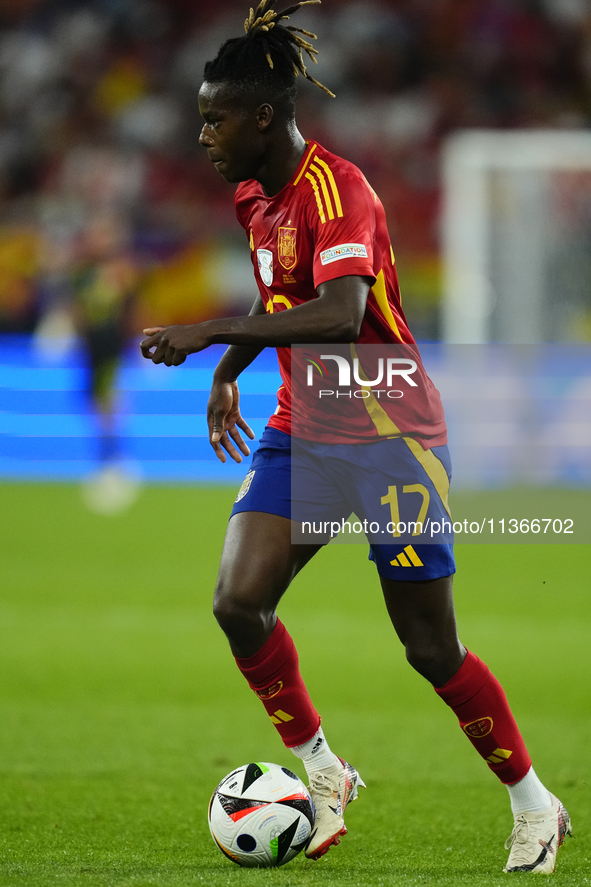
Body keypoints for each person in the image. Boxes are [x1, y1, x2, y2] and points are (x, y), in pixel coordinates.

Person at [140, 0, 571, 873]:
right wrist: (231, 375)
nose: (203, 135)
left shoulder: (345, 192)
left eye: (214, 117)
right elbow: (280, 296)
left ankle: (534, 801)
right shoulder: (252, 196)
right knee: (237, 601)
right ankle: (323, 768)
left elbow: (337, 316)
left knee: (427, 646)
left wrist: (210, 335)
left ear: (263, 116)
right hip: (305, 428)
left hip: (391, 435)